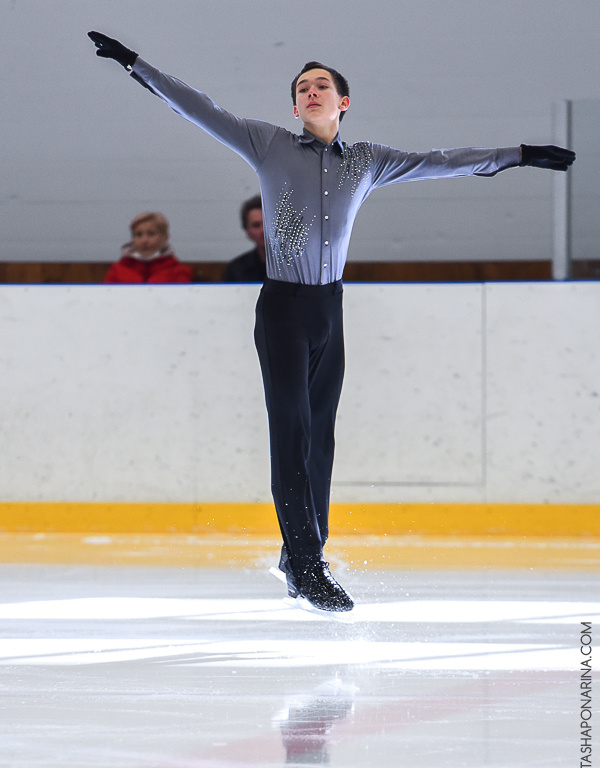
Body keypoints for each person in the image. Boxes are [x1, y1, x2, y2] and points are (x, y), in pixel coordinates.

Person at [88, 31, 575, 612]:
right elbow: (198, 109)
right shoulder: (267, 144)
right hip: (284, 309)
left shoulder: (368, 162)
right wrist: (135, 64)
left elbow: (440, 162)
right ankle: (309, 567)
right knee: (291, 433)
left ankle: (300, 556)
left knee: (321, 441)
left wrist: (516, 155)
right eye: (302, 87)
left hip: (329, 310)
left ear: (343, 102)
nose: (311, 91)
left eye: (322, 85)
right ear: (294, 107)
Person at [104, 211, 193, 283]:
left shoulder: (178, 271)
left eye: (151, 234)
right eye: (138, 235)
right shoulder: (117, 270)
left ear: (165, 237)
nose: (144, 240)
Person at [225, 194, 267, 282]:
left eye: (267, 224)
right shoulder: (236, 269)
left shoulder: (296, 267)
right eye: (256, 225)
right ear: (248, 231)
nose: (263, 230)